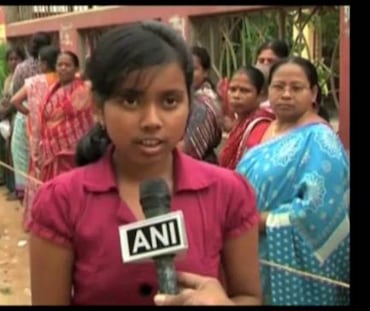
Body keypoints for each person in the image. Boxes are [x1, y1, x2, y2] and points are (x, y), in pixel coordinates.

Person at [27, 21, 261, 306]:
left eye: (170, 101)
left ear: (190, 102)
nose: (152, 121)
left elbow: (248, 296)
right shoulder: (60, 201)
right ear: (99, 107)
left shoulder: (229, 192)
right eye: (130, 100)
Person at [236, 56, 349, 305]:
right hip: (248, 251)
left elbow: (318, 211)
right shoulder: (264, 129)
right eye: (278, 87)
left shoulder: (321, 140)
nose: (286, 94)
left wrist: (257, 222)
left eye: (296, 88)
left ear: (313, 93)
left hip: (287, 263)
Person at [10, 45, 60, 225]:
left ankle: (42, 215)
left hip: (39, 135)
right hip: (61, 136)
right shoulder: (65, 80)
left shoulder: (34, 82)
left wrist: (31, 113)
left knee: (39, 172)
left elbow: (14, 100)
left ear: (44, 63)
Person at [36, 51, 94, 185]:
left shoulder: (84, 91)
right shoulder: (51, 90)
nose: (63, 68)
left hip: (73, 152)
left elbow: (87, 118)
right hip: (50, 150)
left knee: (73, 185)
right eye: (60, 64)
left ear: (76, 68)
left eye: (67, 65)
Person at [10, 32, 51, 201]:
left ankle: (30, 202)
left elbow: (15, 96)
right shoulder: (55, 69)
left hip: (27, 117)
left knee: (24, 160)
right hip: (50, 118)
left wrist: (30, 113)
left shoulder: (22, 68)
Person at [219, 66, 274, 170]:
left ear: (260, 95)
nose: (236, 95)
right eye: (232, 89)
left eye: (244, 91)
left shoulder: (260, 126)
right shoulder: (239, 122)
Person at [177, 46, 222, 164]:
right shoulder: (187, 98)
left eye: (194, 69)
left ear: (205, 72)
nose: (187, 73)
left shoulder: (202, 106)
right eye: (183, 68)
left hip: (199, 168)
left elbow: (187, 149)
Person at [0, 45, 25, 198]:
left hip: (18, 117)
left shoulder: (22, 77)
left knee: (14, 153)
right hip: (6, 119)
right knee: (6, 153)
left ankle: (18, 188)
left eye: (16, 59)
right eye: (10, 59)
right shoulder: (8, 78)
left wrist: (4, 111)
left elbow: (18, 101)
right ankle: (10, 185)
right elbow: (6, 98)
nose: (13, 62)